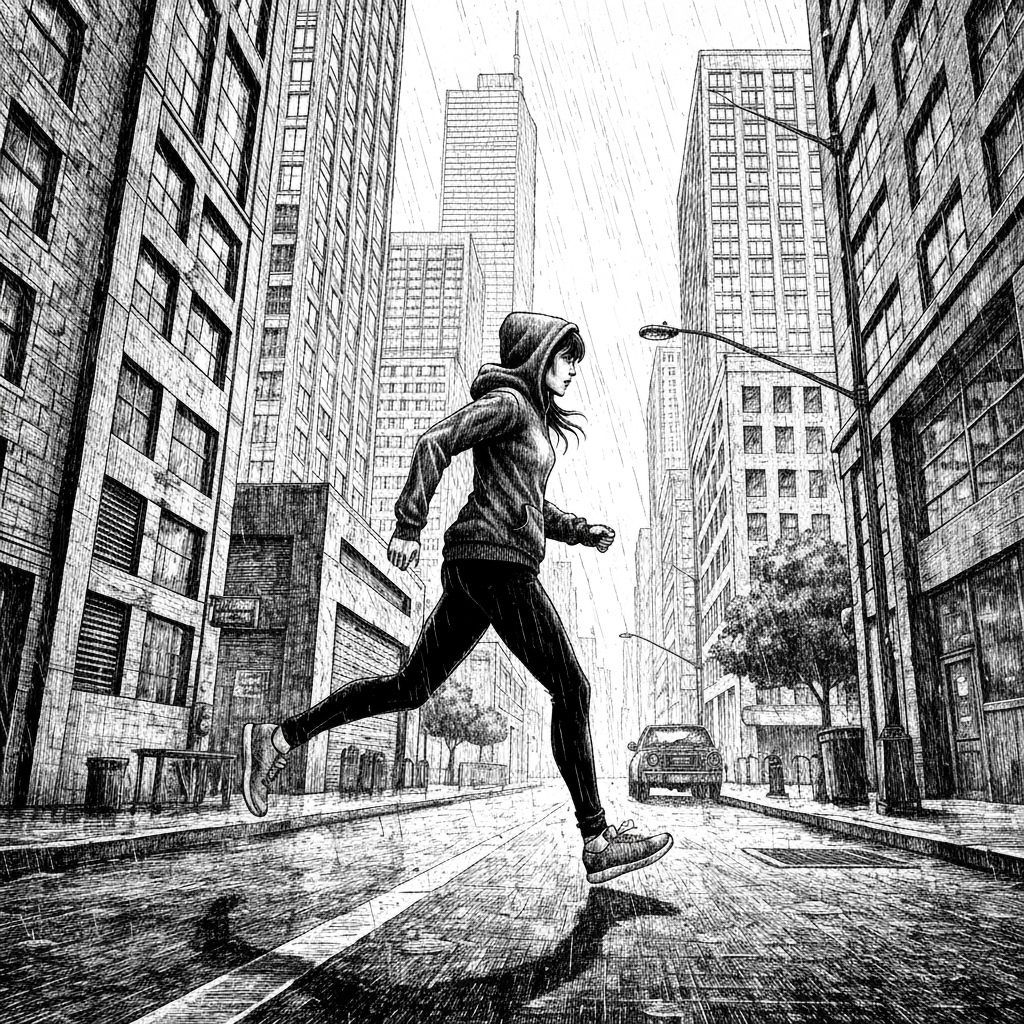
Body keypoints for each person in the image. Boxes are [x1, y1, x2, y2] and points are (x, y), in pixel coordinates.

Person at [241, 311, 673, 884]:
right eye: (565, 357)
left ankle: (279, 736)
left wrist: (576, 530)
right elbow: (435, 441)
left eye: (575, 360)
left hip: (481, 564)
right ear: (538, 354)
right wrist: (408, 524)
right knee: (571, 688)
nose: (572, 370)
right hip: (496, 567)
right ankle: (596, 839)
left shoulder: (528, 416)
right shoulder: (509, 404)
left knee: (410, 688)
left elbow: (524, 504)